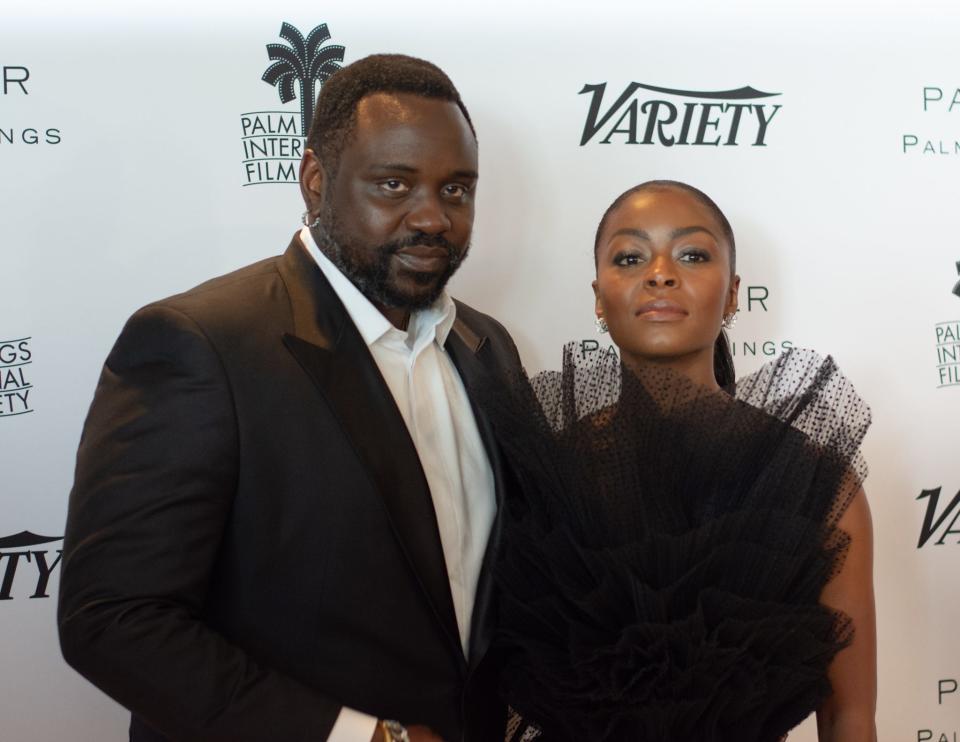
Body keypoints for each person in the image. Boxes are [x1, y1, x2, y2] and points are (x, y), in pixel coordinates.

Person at [58, 54, 521, 742]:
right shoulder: (200, 344)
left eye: (456, 190)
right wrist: (362, 738)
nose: (433, 218)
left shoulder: (487, 347)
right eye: (394, 184)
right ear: (314, 181)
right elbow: (114, 619)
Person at [490, 181, 877, 741]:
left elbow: (850, 718)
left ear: (734, 294)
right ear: (599, 296)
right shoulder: (543, 476)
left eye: (692, 255)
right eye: (631, 257)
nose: (661, 273)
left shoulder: (815, 485)